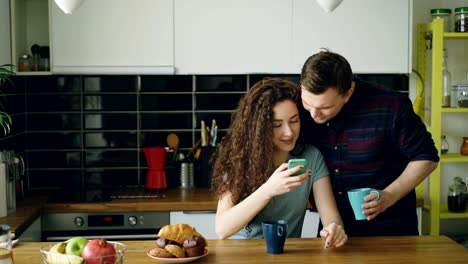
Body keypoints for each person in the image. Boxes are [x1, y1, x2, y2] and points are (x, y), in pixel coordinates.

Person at [298, 49, 439, 237]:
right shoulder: (301, 111)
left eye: (325, 107)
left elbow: (427, 157)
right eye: (308, 104)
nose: (314, 115)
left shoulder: (391, 106)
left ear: (347, 93)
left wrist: (389, 196)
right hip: (333, 231)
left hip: (392, 230)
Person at [210, 78, 348, 248]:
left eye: (294, 121)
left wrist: (334, 229)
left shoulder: (311, 157)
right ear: (259, 128)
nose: (289, 132)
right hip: (241, 255)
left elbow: (331, 217)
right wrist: (269, 189)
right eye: (277, 125)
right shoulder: (240, 159)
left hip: (285, 255)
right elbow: (222, 228)